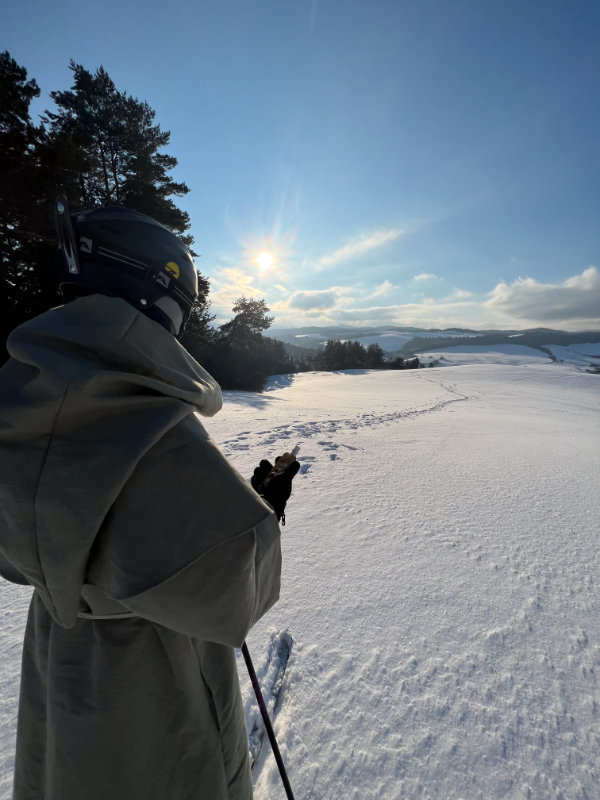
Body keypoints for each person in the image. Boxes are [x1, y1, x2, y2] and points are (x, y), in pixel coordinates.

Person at [0, 197, 299, 800]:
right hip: (153, 684)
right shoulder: (151, 429)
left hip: (61, 661)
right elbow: (234, 596)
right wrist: (261, 512)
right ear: (152, 302)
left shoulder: (20, 403)